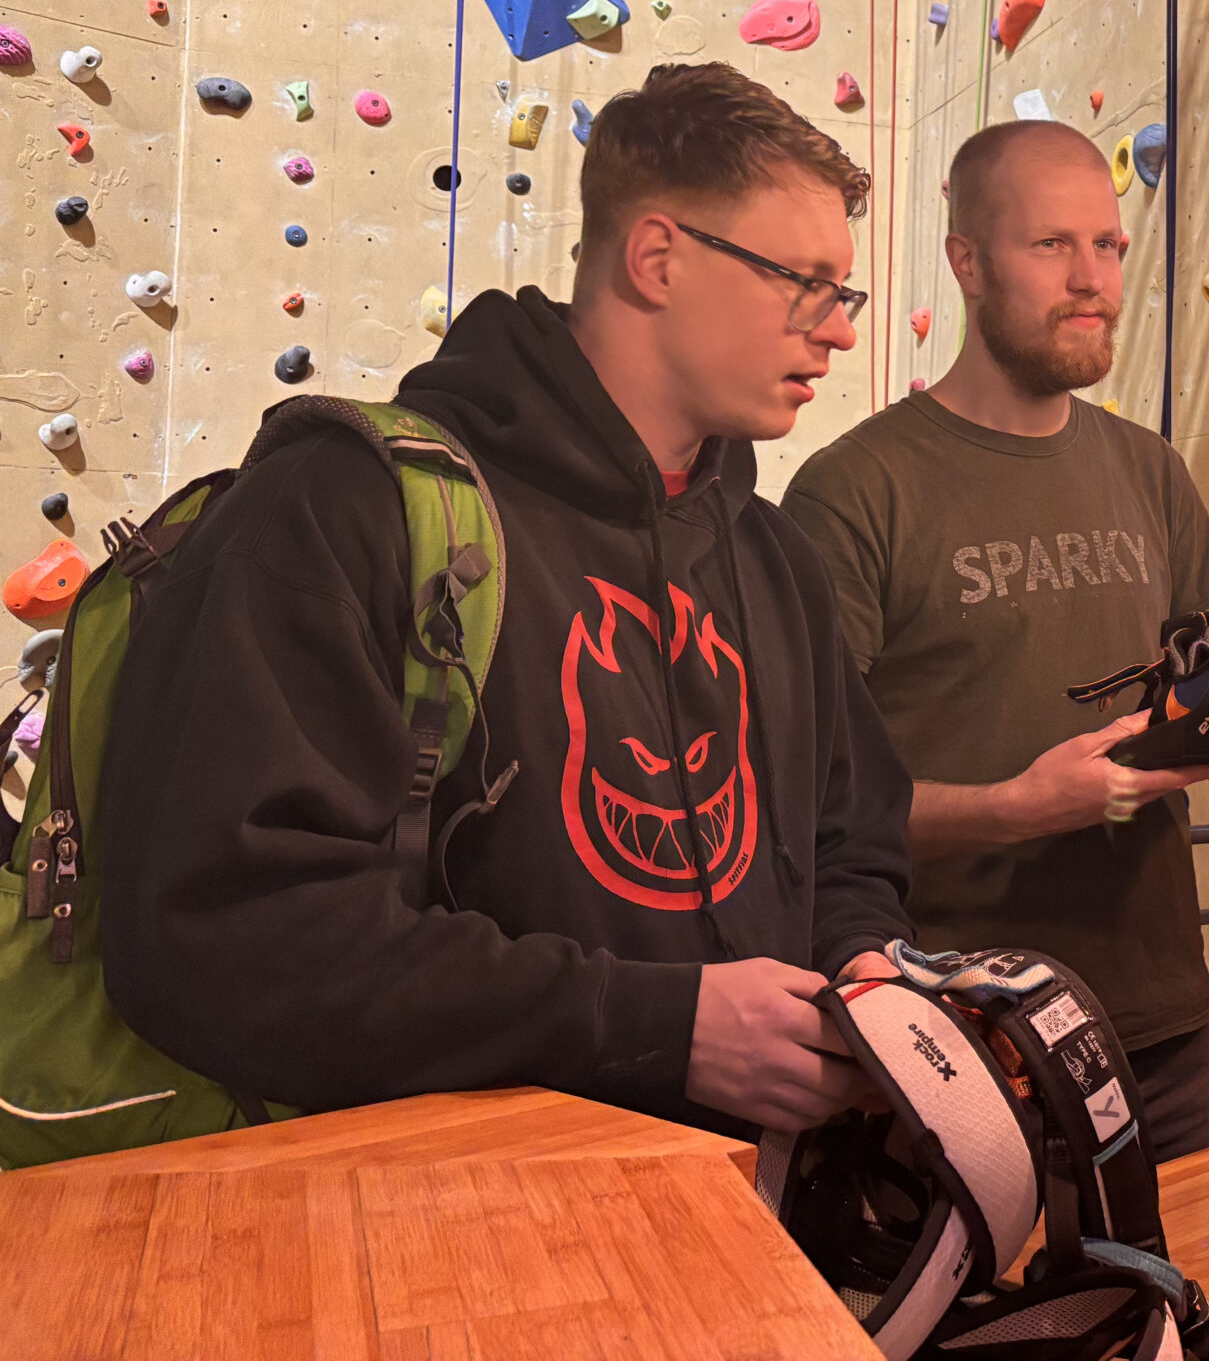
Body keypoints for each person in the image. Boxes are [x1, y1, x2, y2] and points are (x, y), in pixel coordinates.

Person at [102, 62, 915, 1140]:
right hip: (445, 1252)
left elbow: (849, 839)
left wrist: (863, 972)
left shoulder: (770, 555)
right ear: (659, 258)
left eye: (843, 293)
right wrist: (655, 1024)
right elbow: (221, 934)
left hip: (749, 1238)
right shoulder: (349, 507)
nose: (840, 331)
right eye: (804, 283)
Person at [781, 119, 1209, 1161]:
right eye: (1050, 246)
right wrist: (1015, 811)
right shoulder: (854, 492)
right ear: (966, 262)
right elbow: (802, 813)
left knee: (1189, 1315)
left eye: (1108, 246)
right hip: (956, 1040)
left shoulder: (1148, 469)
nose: (1092, 280)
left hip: (1161, 1028)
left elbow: (1189, 709)